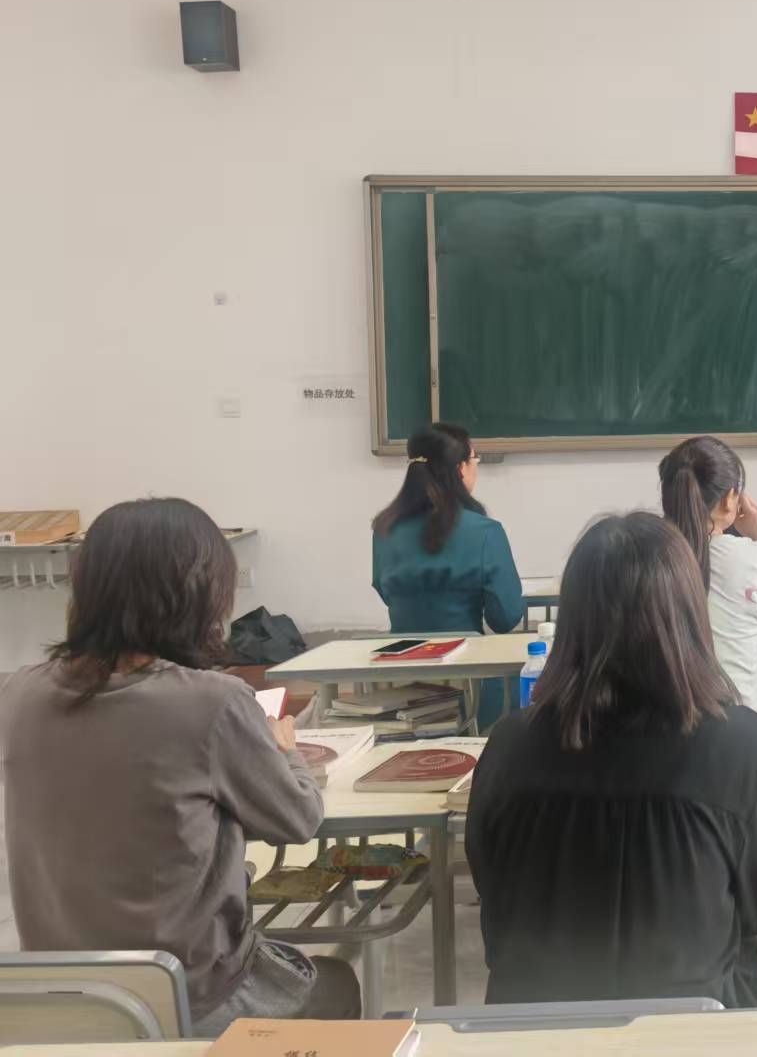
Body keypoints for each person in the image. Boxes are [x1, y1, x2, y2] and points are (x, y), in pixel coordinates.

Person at [0, 498, 358, 1036]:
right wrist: (283, 747)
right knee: (338, 983)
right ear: (199, 593)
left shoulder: (18, 693)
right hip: (187, 997)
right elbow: (299, 819)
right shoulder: (214, 703)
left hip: (65, 997)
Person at [466, 513, 757, 1008]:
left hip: (532, 1026)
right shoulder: (744, 746)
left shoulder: (510, 744)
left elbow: (491, 885)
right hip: (692, 1025)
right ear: (690, 614)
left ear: (573, 619)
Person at [658, 435, 757, 731]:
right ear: (730, 498)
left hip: (662, 734)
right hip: (744, 733)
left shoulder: (644, 555)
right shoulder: (755, 557)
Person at [371, 422, 525, 638]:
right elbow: (505, 618)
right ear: (460, 468)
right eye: (474, 459)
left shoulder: (384, 530)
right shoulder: (485, 532)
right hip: (469, 657)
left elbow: (385, 591)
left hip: (401, 657)